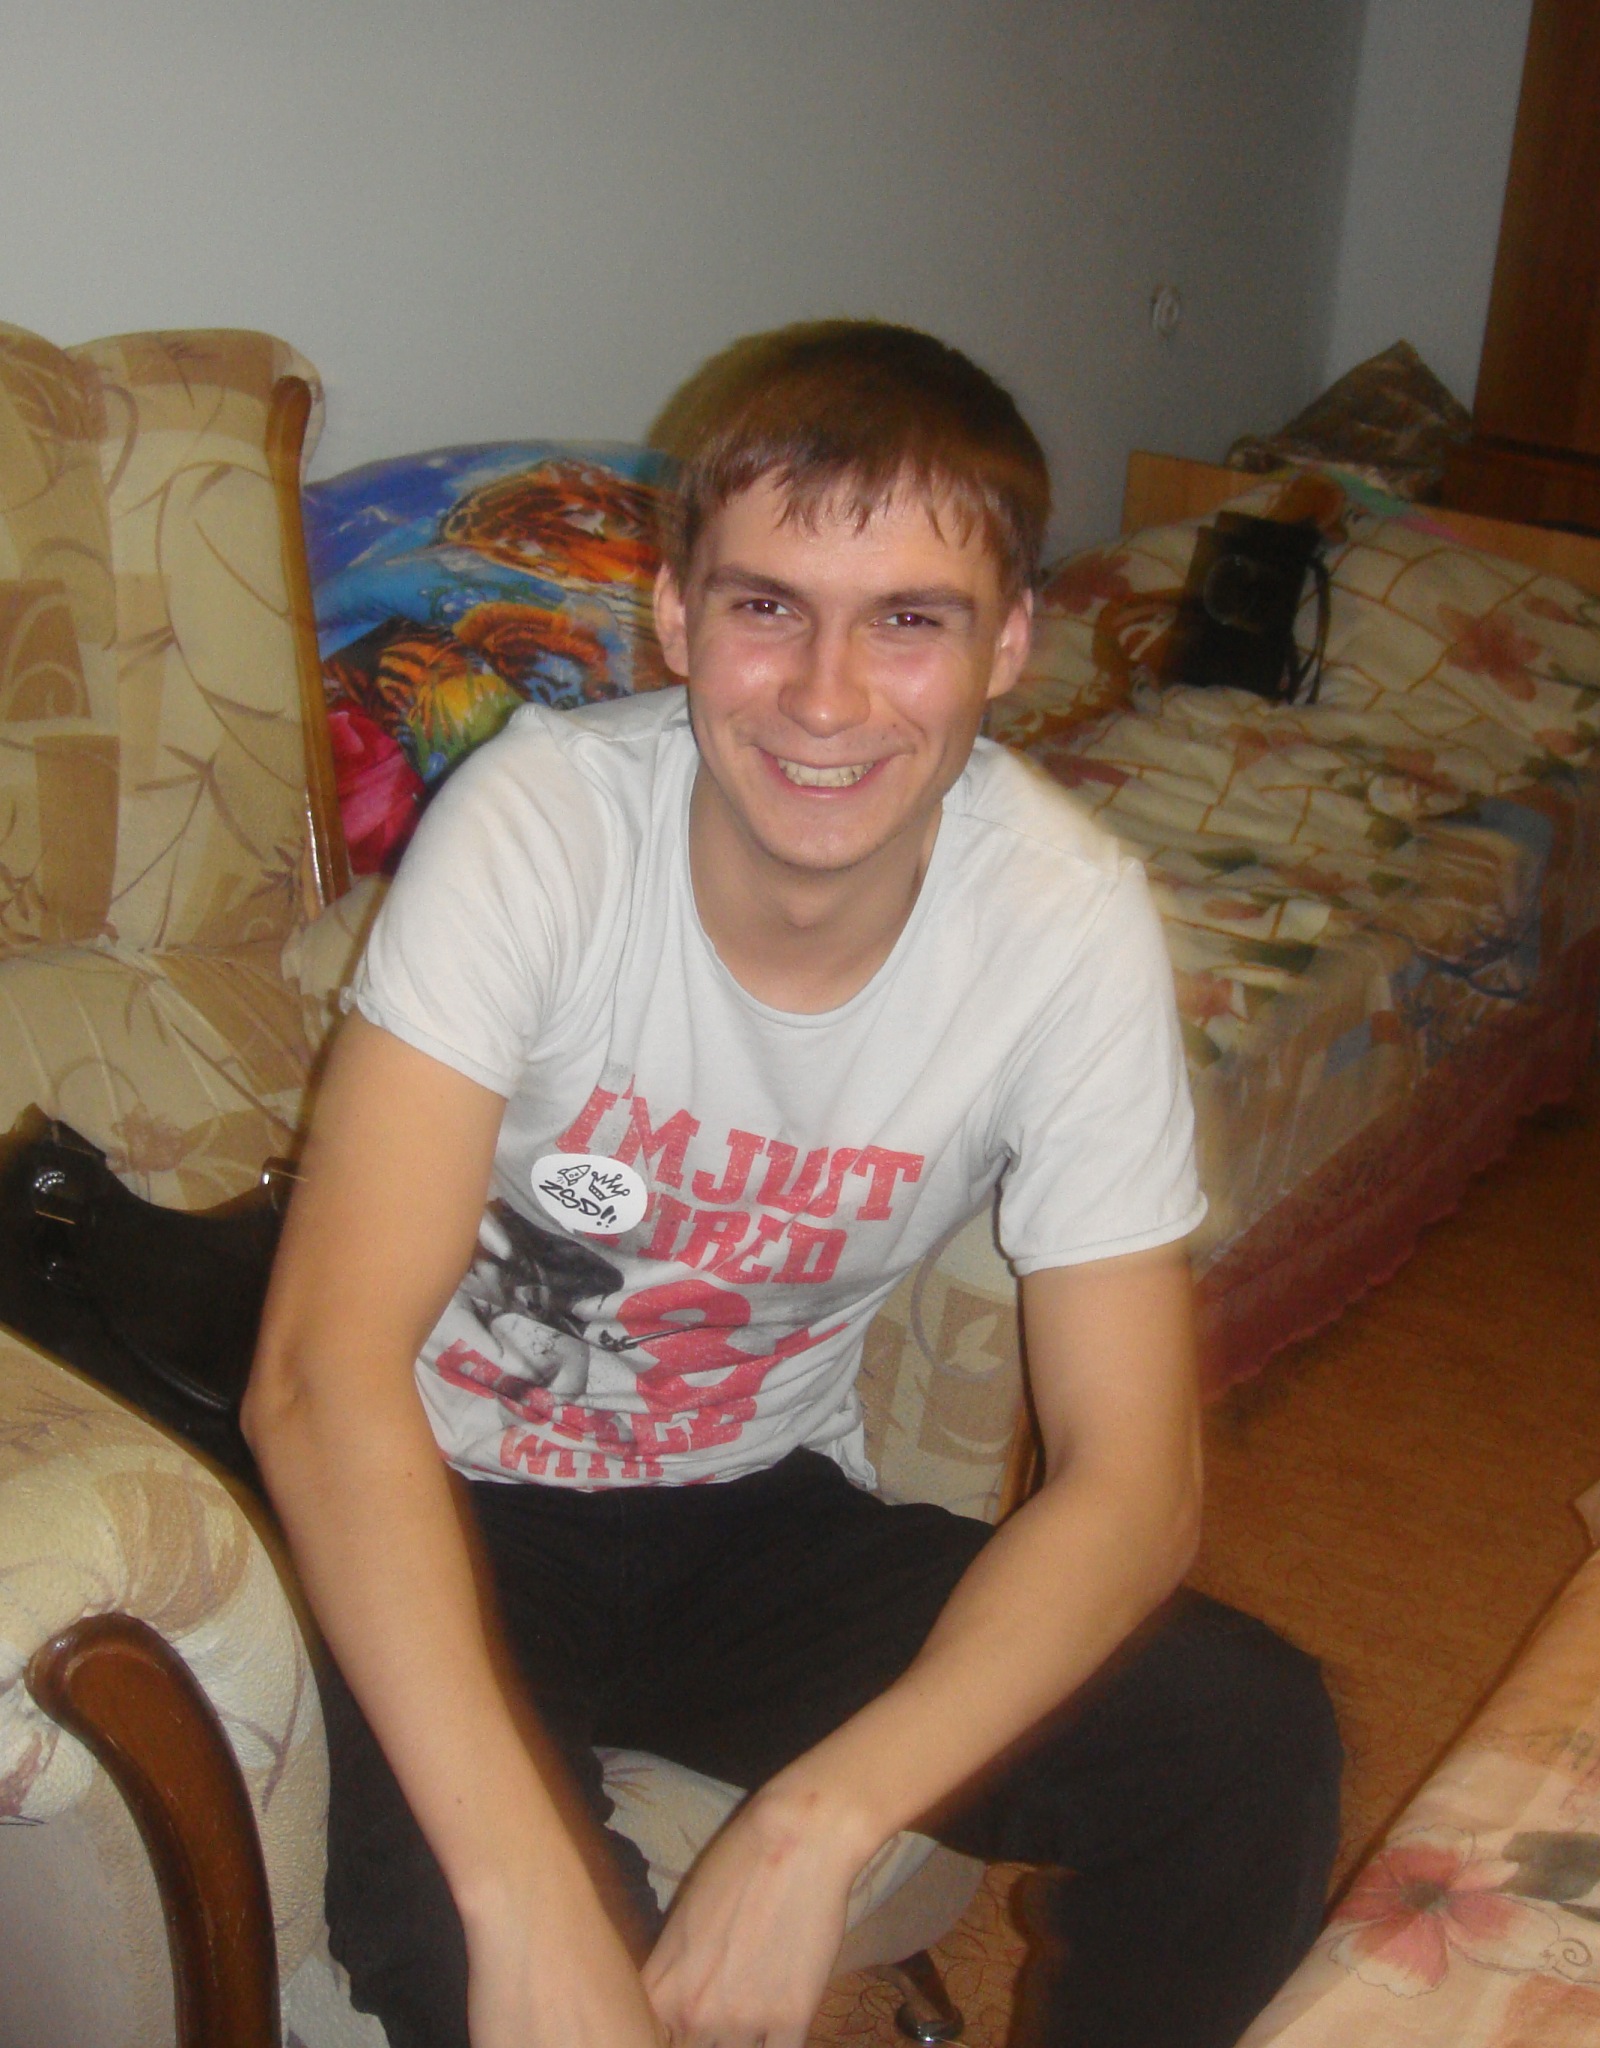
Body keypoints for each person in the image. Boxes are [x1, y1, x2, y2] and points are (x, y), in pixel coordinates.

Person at [244, 320, 1340, 2048]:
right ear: (677, 618)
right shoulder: (544, 830)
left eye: (910, 620)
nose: (827, 698)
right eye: (768, 607)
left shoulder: (1062, 928)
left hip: (749, 1509)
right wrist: (528, 1897)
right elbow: (319, 1378)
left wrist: (818, 1821)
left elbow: (1137, 1484)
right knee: (501, 1977)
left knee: (1247, 1737)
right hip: (444, 1496)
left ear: (1010, 644)